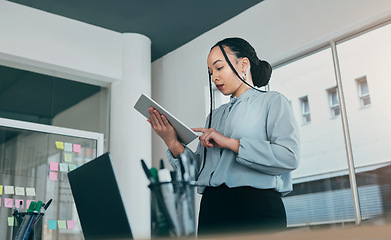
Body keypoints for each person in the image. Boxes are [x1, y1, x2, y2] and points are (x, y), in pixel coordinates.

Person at [147, 37, 300, 236]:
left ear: (243, 64)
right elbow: (196, 173)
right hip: (212, 211)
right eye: (210, 72)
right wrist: (171, 140)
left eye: (219, 68)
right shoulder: (214, 115)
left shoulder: (273, 101)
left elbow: (288, 156)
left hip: (257, 208)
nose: (214, 77)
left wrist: (229, 143)